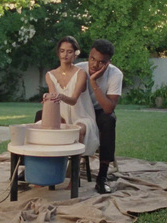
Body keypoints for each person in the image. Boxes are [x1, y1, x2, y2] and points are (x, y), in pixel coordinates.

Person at [75, 39, 123, 194]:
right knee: (40, 115)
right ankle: (33, 166)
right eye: (92, 59)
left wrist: (93, 80)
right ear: (89, 55)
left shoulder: (115, 74)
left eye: (101, 62)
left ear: (108, 62)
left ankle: (102, 177)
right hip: (80, 111)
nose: (94, 65)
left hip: (99, 112)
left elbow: (109, 108)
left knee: (109, 120)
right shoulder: (77, 69)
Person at [43, 36, 99, 157]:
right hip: (61, 117)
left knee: (75, 131)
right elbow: (54, 100)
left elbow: (73, 100)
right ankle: (43, 164)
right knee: (39, 130)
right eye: (62, 51)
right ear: (58, 53)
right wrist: (48, 99)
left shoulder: (81, 74)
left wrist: (60, 96)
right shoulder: (50, 75)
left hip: (82, 117)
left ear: (75, 54)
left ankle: (73, 169)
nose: (65, 55)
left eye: (69, 51)